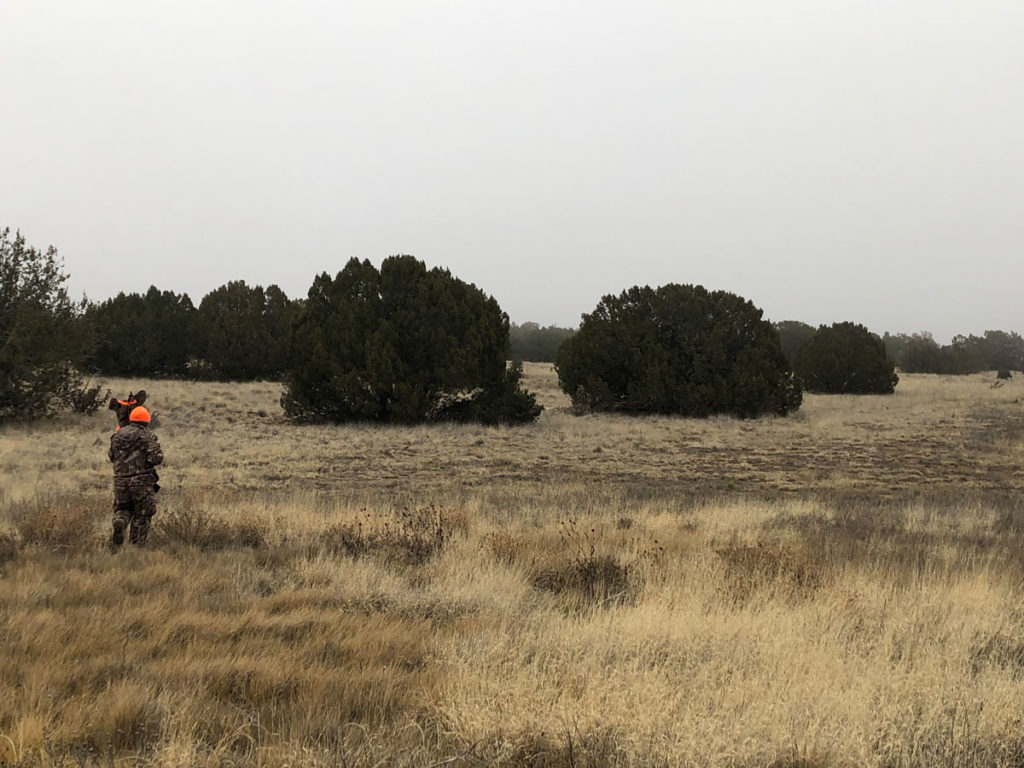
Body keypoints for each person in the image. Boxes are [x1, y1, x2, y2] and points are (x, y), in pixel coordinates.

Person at [108, 405, 163, 548]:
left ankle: (120, 520)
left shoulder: (117, 435)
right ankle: (135, 548)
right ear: (147, 421)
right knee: (143, 514)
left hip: (120, 482)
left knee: (123, 508)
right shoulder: (147, 436)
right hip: (141, 482)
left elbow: (111, 456)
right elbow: (157, 458)